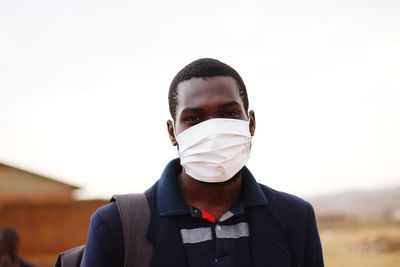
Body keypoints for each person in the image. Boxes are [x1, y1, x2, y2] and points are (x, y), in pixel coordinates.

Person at [81, 58, 324, 266]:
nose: (212, 131)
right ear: (172, 132)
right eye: (194, 118)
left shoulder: (295, 218)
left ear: (251, 122)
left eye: (228, 114)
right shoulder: (116, 226)